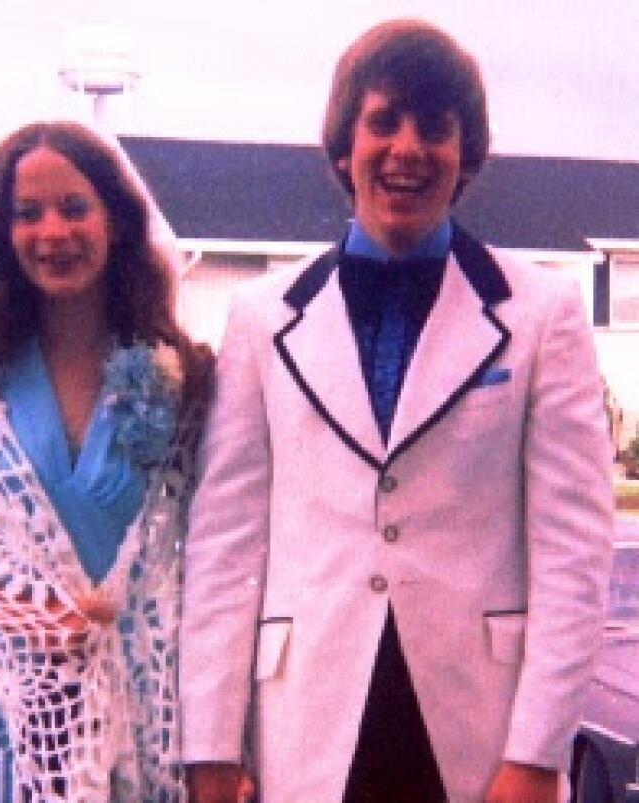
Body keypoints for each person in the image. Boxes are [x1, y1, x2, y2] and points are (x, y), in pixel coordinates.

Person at [179, 18, 614, 803]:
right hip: (307, 729)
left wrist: (538, 750)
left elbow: (574, 553)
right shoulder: (259, 316)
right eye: (383, 121)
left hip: (477, 737)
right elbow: (224, 548)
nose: (408, 148)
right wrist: (210, 744)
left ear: (466, 154)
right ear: (345, 146)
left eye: (435, 128)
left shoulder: (541, 314)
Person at [0, 120, 212, 802]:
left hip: (134, 716)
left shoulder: (182, 378)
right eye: (28, 214)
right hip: (2, 715)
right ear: (4, 233)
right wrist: (21, 613)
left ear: (113, 219)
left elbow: (209, 558)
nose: (53, 231)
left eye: (73, 207)